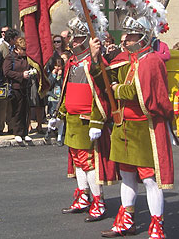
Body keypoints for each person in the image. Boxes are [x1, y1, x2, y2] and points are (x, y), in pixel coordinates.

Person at [99, 14, 174, 238]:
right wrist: (96, 57)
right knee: (127, 175)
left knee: (150, 179)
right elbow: (102, 76)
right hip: (125, 127)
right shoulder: (125, 59)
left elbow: (136, 93)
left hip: (145, 128)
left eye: (130, 36)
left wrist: (117, 89)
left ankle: (157, 226)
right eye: (126, 36)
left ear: (142, 37)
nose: (125, 40)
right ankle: (126, 221)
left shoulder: (151, 61)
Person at [56, 16, 119, 225]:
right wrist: (60, 113)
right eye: (72, 38)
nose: (73, 42)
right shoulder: (71, 63)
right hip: (72, 120)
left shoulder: (95, 63)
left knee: (89, 163)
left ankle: (98, 201)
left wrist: (96, 121)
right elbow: (67, 91)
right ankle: (83, 197)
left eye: (78, 38)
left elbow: (101, 93)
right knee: (77, 162)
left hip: (87, 120)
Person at [3, 37, 31, 143]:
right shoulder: (10, 58)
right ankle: (17, 132)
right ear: (17, 49)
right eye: (23, 49)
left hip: (25, 87)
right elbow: (7, 72)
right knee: (17, 110)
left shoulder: (26, 58)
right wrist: (21, 75)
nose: (25, 52)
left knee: (25, 110)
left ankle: (25, 132)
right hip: (15, 87)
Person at [0, 28, 19, 135]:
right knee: (2, 106)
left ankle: (11, 126)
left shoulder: (14, 48)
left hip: (12, 80)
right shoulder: (1, 48)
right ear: (11, 39)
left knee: (11, 105)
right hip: (2, 80)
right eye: (15, 38)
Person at [46, 56, 64, 145]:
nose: (57, 68)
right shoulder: (51, 75)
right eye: (56, 66)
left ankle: (59, 138)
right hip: (53, 99)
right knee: (53, 118)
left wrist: (59, 76)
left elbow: (63, 85)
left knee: (60, 120)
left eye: (59, 66)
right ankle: (49, 129)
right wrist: (53, 75)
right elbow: (49, 85)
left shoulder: (63, 75)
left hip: (60, 99)